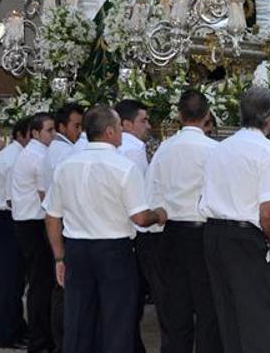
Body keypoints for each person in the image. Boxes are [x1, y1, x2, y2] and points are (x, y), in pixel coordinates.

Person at [44, 104, 168, 353]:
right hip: (114, 251)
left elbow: (51, 216)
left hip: (76, 249)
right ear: (110, 131)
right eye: (120, 126)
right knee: (117, 320)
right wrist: (160, 215)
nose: (123, 131)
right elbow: (140, 217)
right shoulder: (123, 167)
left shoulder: (66, 166)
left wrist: (59, 256)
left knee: (78, 319)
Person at [200, 86, 270, 353]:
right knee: (261, 319)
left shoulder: (219, 148)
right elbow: (269, 211)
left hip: (215, 235)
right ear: (268, 116)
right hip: (246, 239)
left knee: (229, 317)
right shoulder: (266, 150)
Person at [147, 90, 223, 353]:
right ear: (207, 116)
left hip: (173, 233)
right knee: (209, 310)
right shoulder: (216, 150)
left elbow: (152, 195)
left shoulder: (164, 150)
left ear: (179, 115)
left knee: (175, 309)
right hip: (206, 233)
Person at [116, 99, 165, 352]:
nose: (149, 125)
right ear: (125, 124)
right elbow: (140, 193)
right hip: (138, 231)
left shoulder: (121, 147)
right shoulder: (133, 149)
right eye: (143, 120)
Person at [11, 113, 56, 352]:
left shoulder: (31, 153)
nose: (53, 134)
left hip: (26, 222)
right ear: (36, 133)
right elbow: (45, 196)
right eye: (49, 130)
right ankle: (40, 339)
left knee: (41, 283)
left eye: (53, 130)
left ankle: (41, 336)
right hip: (33, 224)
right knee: (41, 284)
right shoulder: (38, 156)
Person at [43, 103, 84, 350]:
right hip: (63, 223)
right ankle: (63, 341)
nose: (80, 131)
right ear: (62, 127)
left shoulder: (59, 150)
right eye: (76, 126)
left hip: (60, 220)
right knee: (64, 289)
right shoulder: (65, 153)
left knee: (62, 288)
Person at [0, 117, 30, 349]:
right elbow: (13, 199)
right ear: (22, 135)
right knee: (9, 280)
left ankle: (16, 326)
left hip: (4, 218)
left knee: (13, 280)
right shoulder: (15, 159)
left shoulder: (11, 155)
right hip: (7, 219)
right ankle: (8, 333)